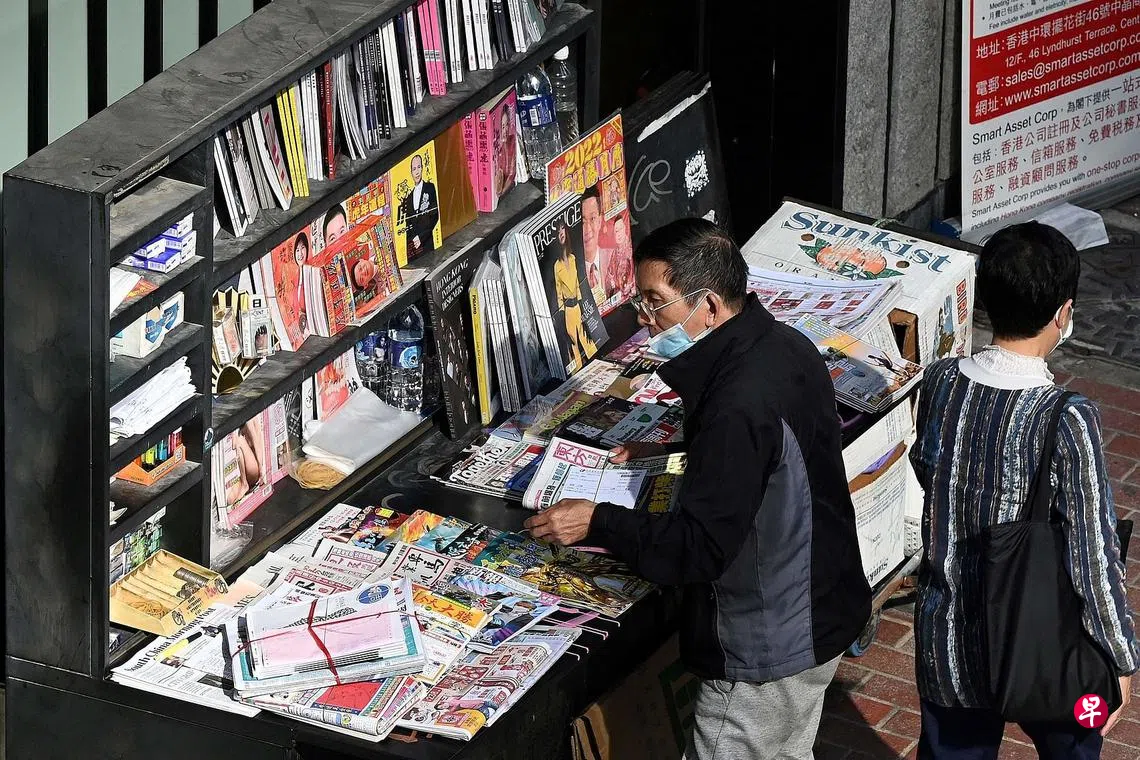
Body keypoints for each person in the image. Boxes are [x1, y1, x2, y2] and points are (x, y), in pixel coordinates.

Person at [524, 218, 872, 760]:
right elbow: (772, 454)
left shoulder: (737, 404)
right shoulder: (783, 345)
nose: (645, 320)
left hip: (767, 640)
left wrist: (598, 520)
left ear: (707, 306)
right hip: (821, 604)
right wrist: (681, 449)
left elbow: (698, 548)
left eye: (655, 303)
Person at [910, 221, 1137, 759]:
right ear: (1064, 312)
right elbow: (1093, 551)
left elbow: (928, 472)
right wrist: (1120, 656)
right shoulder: (1067, 417)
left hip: (948, 643)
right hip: (1045, 644)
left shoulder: (941, 381)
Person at [553, 220, 597, 368]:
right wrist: (561, 312)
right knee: (573, 342)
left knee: (585, 337)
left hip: (578, 306)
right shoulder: (557, 266)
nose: (561, 234)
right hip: (567, 310)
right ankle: (578, 368)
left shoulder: (572, 258)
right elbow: (558, 291)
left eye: (562, 229)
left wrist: (581, 303)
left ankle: (595, 360)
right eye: (558, 232)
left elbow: (578, 283)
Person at [398, 153, 439, 257]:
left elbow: (435, 216)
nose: (416, 172)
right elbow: (408, 225)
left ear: (422, 168)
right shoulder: (409, 197)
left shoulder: (429, 187)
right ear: (411, 172)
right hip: (413, 250)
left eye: (419, 167)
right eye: (414, 169)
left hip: (427, 244)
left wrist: (421, 237)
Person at [580, 185, 613, 306]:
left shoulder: (613, 256)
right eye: (582, 222)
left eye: (593, 218)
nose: (588, 229)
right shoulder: (571, 272)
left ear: (600, 220)